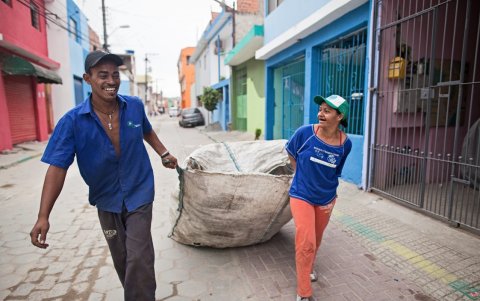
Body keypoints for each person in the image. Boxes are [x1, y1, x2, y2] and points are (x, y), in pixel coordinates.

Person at [29, 50, 178, 301]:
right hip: (106, 200)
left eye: (115, 74)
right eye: (103, 75)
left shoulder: (135, 107)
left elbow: (147, 131)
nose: (111, 81)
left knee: (139, 257)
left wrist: (164, 153)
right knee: (123, 260)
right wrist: (43, 216)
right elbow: (57, 167)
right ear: (87, 78)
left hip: (139, 191)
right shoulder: (72, 122)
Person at [285, 95, 352, 301]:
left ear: (339, 116)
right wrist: (301, 175)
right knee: (306, 242)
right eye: (320, 109)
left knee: (316, 239)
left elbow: (335, 172)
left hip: (326, 198)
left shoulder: (344, 143)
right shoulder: (304, 133)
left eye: (327, 111)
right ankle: (303, 293)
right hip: (301, 195)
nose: (320, 114)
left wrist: (329, 197)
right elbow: (291, 153)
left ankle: (308, 269)